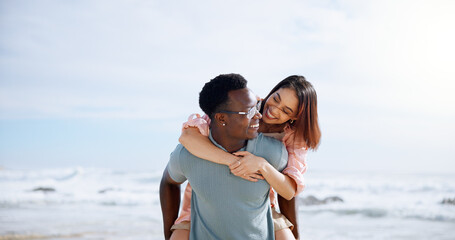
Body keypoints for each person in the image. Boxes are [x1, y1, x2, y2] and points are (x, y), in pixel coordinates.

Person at [172, 75, 321, 240]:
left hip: (257, 205)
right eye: (276, 99)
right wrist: (236, 163)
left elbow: (289, 190)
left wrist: (262, 165)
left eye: (286, 111)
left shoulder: (292, 138)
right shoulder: (243, 106)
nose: (274, 110)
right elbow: (188, 137)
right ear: (273, 92)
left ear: (295, 117)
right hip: (205, 201)